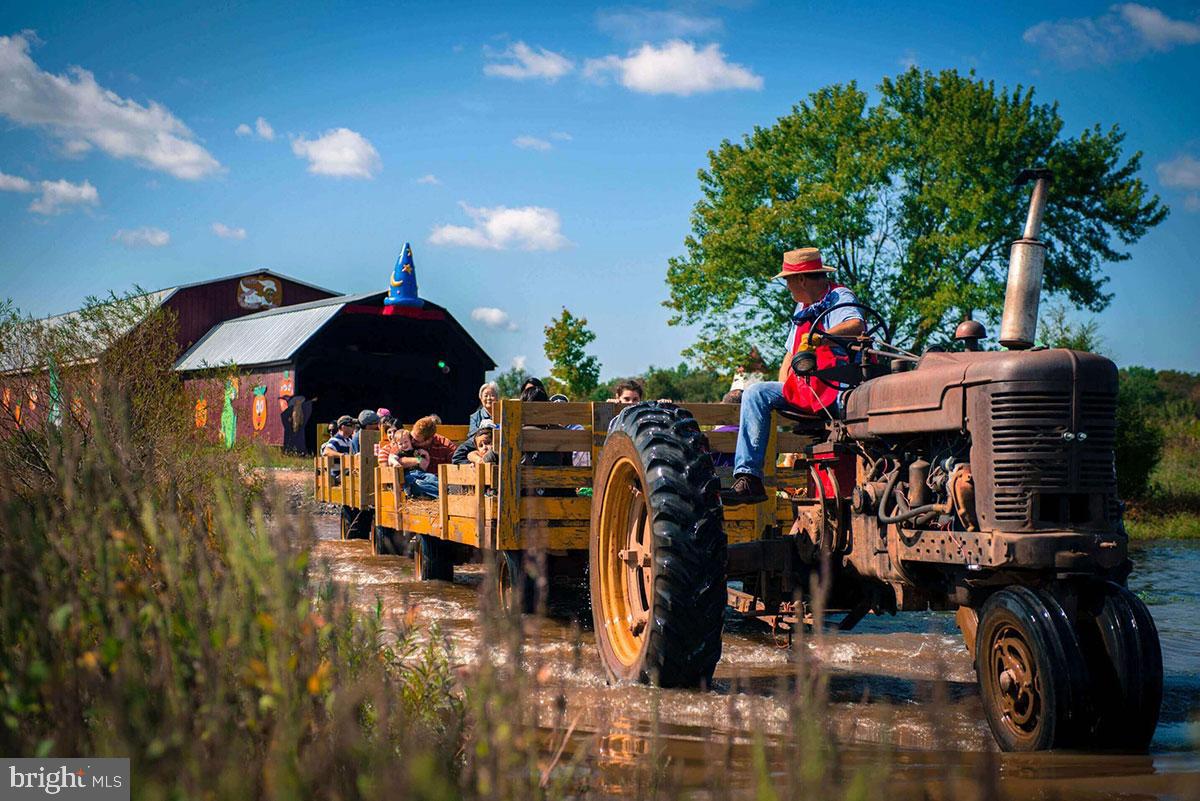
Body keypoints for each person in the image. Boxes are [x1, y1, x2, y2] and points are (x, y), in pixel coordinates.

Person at [722, 247, 864, 505]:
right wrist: (785, 385)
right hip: (808, 388)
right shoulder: (802, 307)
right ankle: (749, 478)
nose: (787, 287)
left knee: (856, 404)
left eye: (788, 281)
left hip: (838, 387)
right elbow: (790, 354)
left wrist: (821, 337)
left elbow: (857, 325)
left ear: (801, 279)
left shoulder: (839, 296)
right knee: (756, 393)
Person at [390, 415, 456, 498]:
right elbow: (394, 459)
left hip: (433, 480)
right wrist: (418, 460)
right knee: (417, 484)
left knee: (432, 478)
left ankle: (445, 492)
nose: (412, 441)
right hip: (414, 481)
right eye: (412, 437)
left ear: (428, 440)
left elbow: (457, 463)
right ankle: (444, 494)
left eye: (417, 440)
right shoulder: (405, 440)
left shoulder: (446, 445)